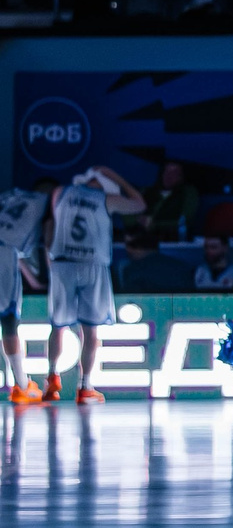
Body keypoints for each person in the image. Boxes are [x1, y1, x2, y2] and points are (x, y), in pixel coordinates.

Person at [43, 165, 145, 402]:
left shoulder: (61, 192)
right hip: (92, 264)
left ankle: (52, 379)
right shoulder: (107, 199)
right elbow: (139, 204)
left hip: (62, 263)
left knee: (58, 325)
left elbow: (50, 225)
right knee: (90, 329)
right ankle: (85, 385)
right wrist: (116, 175)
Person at [0, 182, 41, 404]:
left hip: (8, 254)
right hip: (4, 259)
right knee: (8, 320)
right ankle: (21, 385)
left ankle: (21, 383)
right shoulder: (36, 203)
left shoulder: (9, 199)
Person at [141, 159, 199, 239]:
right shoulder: (148, 192)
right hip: (144, 238)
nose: (169, 176)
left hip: (172, 239)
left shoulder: (188, 192)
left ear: (181, 177)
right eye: (166, 171)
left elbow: (184, 220)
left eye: (174, 173)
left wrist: (155, 224)